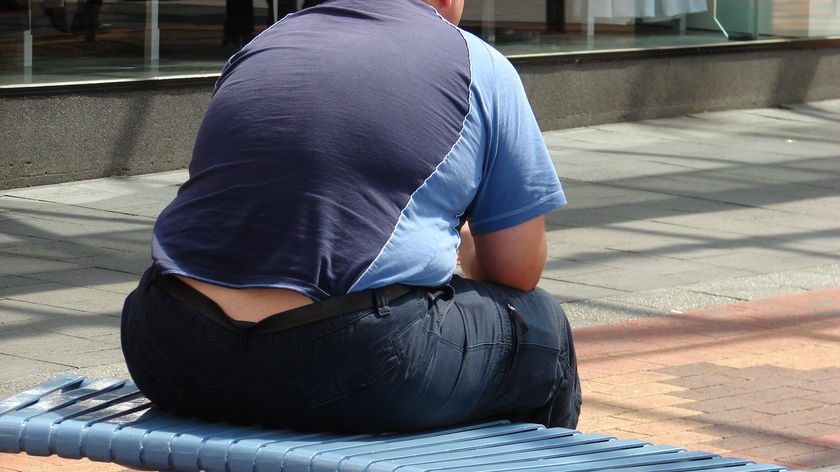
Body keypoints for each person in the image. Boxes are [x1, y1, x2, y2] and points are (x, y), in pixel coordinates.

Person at [121, 0, 581, 433]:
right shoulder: (479, 63)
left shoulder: (266, 42)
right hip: (353, 362)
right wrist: (461, 238)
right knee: (537, 322)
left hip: (170, 345)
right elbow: (516, 271)